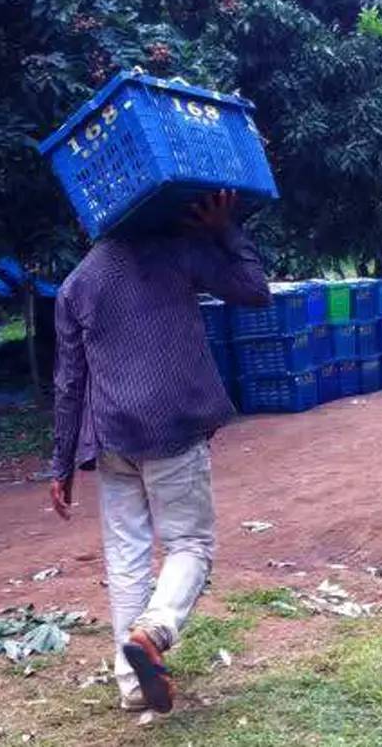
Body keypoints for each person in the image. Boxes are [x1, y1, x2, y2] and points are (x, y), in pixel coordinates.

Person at [49, 191, 270, 715]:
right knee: (190, 543)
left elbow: (68, 383)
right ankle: (154, 630)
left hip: (112, 436)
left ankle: (132, 686)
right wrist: (224, 228)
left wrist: (61, 464)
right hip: (172, 426)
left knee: (126, 558)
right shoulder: (178, 248)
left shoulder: (76, 284)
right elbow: (254, 290)